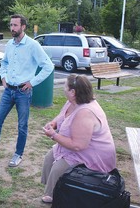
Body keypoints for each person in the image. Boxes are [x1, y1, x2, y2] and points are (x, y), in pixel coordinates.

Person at [0, 14, 54, 167]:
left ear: (23, 26)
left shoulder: (32, 45)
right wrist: (3, 76)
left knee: (22, 125)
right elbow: (4, 62)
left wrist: (32, 82)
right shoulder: (10, 44)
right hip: (8, 91)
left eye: (15, 25)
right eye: (11, 25)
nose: (12, 28)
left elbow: (48, 66)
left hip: (23, 93)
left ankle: (18, 154)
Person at [41, 74, 116, 203]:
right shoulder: (72, 102)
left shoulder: (85, 113)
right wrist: (53, 124)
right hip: (77, 147)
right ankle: (55, 191)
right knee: (49, 158)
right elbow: (61, 116)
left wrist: (54, 135)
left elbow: (78, 146)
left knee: (59, 167)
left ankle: (58, 196)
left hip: (92, 154)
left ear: (73, 92)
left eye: (65, 86)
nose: (63, 88)